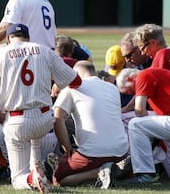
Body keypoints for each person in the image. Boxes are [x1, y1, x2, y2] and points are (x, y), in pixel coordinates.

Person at [0, 24, 81, 193]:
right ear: (28, 37)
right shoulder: (44, 50)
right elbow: (76, 81)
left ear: (8, 38)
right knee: (35, 151)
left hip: (18, 122)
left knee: (18, 178)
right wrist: (57, 84)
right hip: (45, 121)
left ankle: (32, 177)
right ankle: (40, 167)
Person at [51, 61, 128, 189]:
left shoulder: (72, 88)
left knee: (58, 179)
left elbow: (58, 118)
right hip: (121, 150)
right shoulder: (112, 88)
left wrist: (67, 149)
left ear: (75, 74)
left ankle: (98, 172)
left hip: (94, 153)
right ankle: (113, 168)